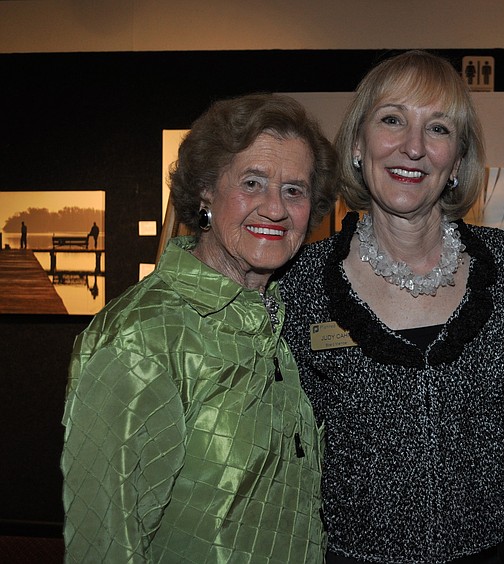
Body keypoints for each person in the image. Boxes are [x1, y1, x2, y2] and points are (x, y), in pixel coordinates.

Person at [61, 93, 339, 562]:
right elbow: (105, 541)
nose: (274, 208)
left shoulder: (283, 317)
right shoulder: (142, 336)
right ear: (206, 191)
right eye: (252, 182)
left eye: (294, 190)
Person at [279, 50, 504, 563]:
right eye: (392, 120)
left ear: (458, 159)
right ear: (357, 143)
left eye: (438, 129)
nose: (413, 147)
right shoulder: (302, 281)